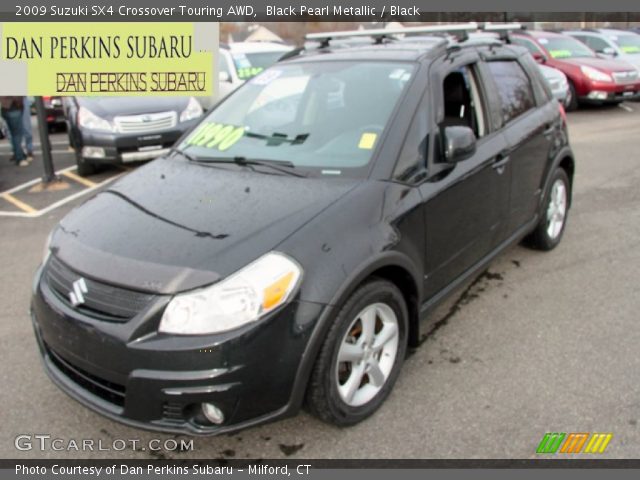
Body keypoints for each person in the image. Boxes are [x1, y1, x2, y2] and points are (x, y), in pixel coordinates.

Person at [0, 96, 28, 167]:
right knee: (17, 135)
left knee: (12, 134)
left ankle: (18, 154)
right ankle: (20, 157)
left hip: (4, 108)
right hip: (14, 107)